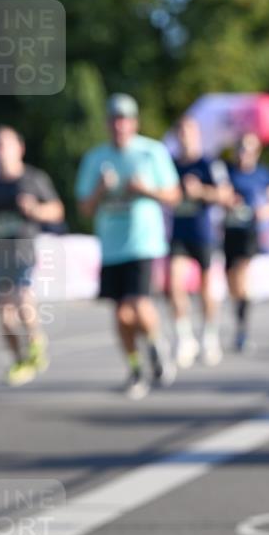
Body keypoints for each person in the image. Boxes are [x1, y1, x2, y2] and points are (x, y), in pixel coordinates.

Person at [76, 93, 181, 398]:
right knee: (122, 315)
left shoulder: (151, 152)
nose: (119, 126)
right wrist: (100, 190)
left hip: (144, 244)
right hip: (112, 247)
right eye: (114, 120)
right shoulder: (95, 158)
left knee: (138, 306)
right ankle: (136, 367)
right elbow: (84, 208)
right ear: (107, 124)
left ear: (134, 123)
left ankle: (156, 344)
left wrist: (145, 190)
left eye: (124, 120)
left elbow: (174, 196)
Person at [0, 127, 64, 385]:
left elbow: (57, 210)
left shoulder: (33, 179)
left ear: (19, 148)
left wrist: (35, 210)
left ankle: (36, 343)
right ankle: (19, 360)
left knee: (23, 299)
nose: (0, 150)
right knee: (4, 316)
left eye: (5, 144)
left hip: (25, 251)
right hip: (0, 256)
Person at [169, 116, 231, 368]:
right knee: (174, 283)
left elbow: (226, 195)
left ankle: (209, 336)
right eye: (181, 132)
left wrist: (201, 191)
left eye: (189, 131)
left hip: (204, 233)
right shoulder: (171, 164)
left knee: (207, 287)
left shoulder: (209, 163)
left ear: (197, 135)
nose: (185, 136)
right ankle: (184, 337)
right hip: (179, 233)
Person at [224, 133, 269, 351]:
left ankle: (242, 329)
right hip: (229, 231)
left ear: (257, 152)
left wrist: (265, 212)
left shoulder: (263, 174)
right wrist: (226, 201)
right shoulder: (227, 172)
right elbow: (218, 194)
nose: (245, 153)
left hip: (250, 233)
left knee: (241, 274)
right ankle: (240, 315)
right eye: (242, 148)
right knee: (232, 282)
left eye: (250, 149)